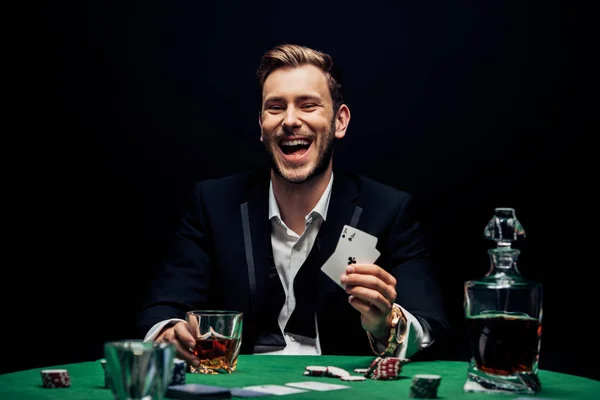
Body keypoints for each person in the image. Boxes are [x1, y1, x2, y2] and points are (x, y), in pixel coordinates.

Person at [136, 44, 450, 368]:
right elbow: (161, 311)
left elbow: (432, 328)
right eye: (275, 107)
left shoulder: (387, 211)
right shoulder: (213, 205)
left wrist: (388, 324)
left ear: (339, 122)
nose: (289, 120)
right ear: (261, 125)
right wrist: (169, 332)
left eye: (308, 105)